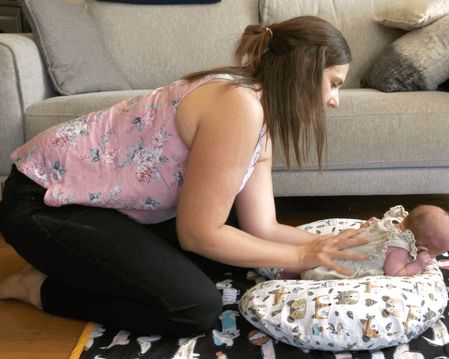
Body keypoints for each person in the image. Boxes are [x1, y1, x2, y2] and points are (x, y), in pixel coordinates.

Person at [0, 16, 368, 337]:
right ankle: (38, 286)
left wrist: (340, 248)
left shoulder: (261, 114)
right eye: (333, 82)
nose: (334, 100)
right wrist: (302, 255)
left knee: (235, 237)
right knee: (193, 308)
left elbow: (263, 226)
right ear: (304, 71)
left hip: (103, 208)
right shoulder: (238, 106)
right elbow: (198, 235)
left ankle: (80, 264)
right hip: (41, 202)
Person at [301, 205, 449, 280]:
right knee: (311, 270)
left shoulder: (392, 221)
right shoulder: (400, 248)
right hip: (338, 265)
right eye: (432, 255)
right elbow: (394, 273)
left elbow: (370, 223)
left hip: (336, 247)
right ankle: (295, 271)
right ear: (420, 248)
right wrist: (417, 265)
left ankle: (296, 263)